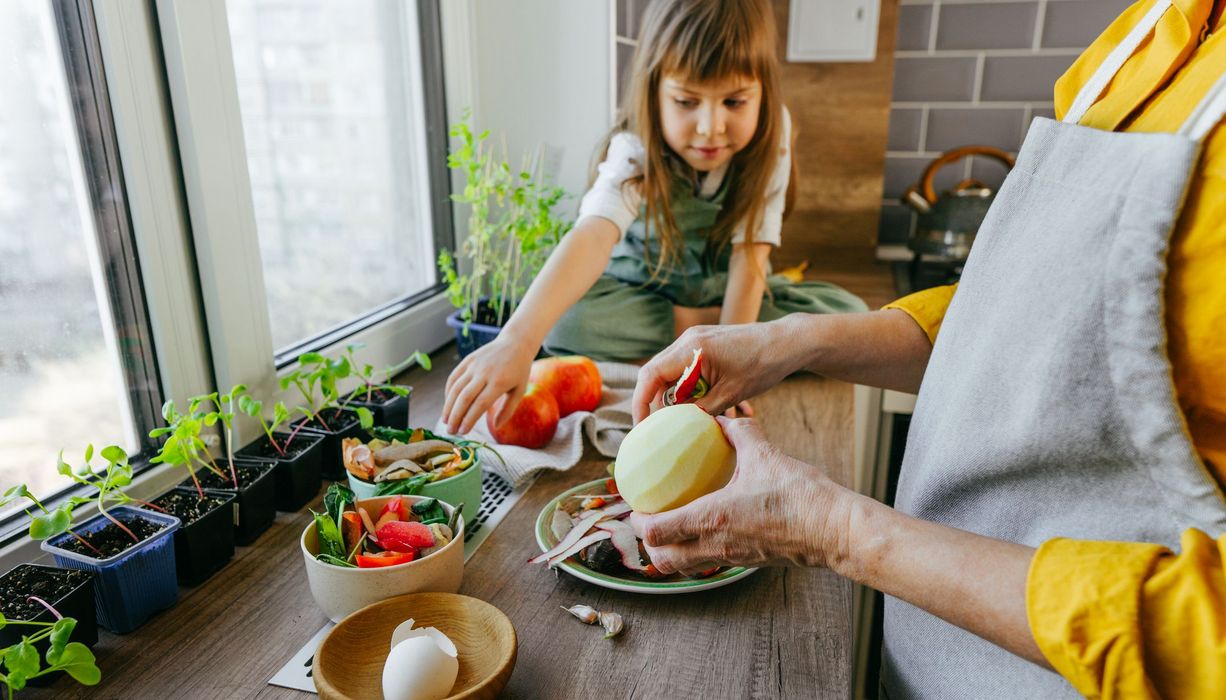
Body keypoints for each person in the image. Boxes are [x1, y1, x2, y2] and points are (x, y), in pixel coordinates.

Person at [630, 0, 1226, 697]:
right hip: (930, 660)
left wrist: (840, 532)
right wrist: (786, 341)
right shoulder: (1156, 28)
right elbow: (1036, 323)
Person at [442, 0, 865, 436]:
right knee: (570, 320)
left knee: (846, 315)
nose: (710, 127)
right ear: (654, 92)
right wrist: (518, 340)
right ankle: (702, 332)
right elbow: (593, 234)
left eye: (735, 101)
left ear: (764, 93)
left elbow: (751, 257)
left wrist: (732, 358)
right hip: (641, 292)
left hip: (729, 293)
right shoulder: (636, 145)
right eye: (686, 101)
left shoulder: (773, 132)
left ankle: (711, 337)